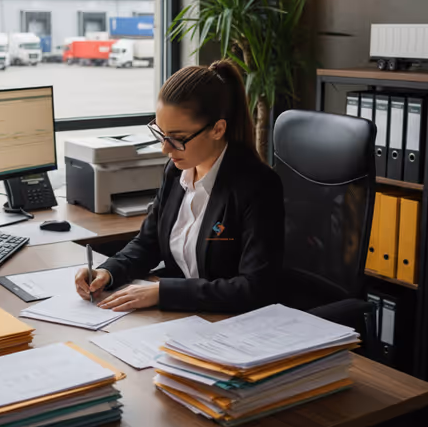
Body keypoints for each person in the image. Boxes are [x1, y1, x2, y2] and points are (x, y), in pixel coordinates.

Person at [74, 59, 285, 313]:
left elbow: (254, 288)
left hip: (229, 325)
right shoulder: (177, 171)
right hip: (181, 318)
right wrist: (108, 272)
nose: (165, 148)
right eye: (161, 134)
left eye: (177, 138)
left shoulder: (258, 187)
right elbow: (148, 243)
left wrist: (163, 292)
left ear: (218, 129)